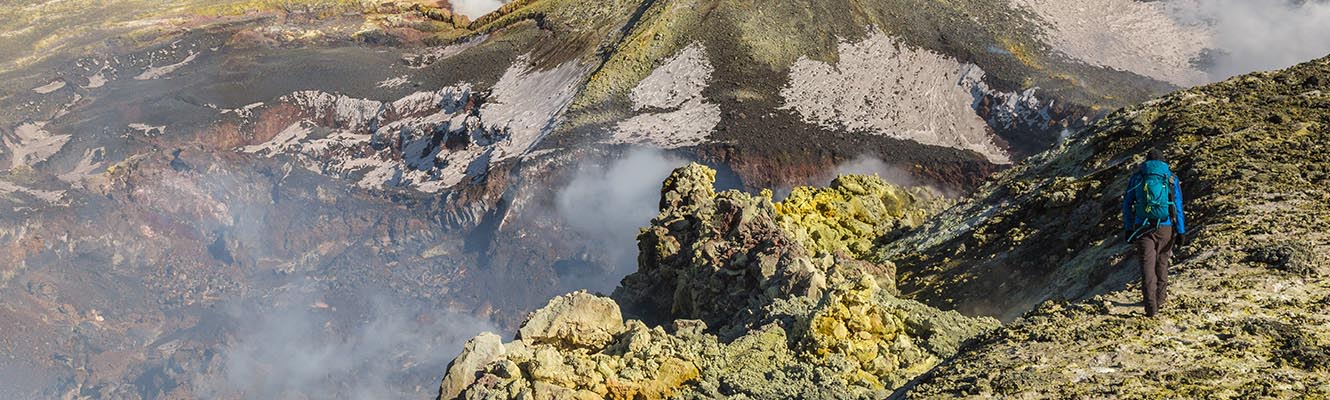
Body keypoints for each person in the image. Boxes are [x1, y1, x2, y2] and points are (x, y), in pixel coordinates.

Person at [1122, 149, 1187, 317]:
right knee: (1162, 263)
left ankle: (1151, 308)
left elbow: (1127, 204)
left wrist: (1129, 228)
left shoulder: (1138, 177)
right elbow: (1178, 206)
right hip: (1166, 228)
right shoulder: (1171, 178)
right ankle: (1161, 298)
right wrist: (1180, 231)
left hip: (1142, 227)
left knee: (1147, 267)